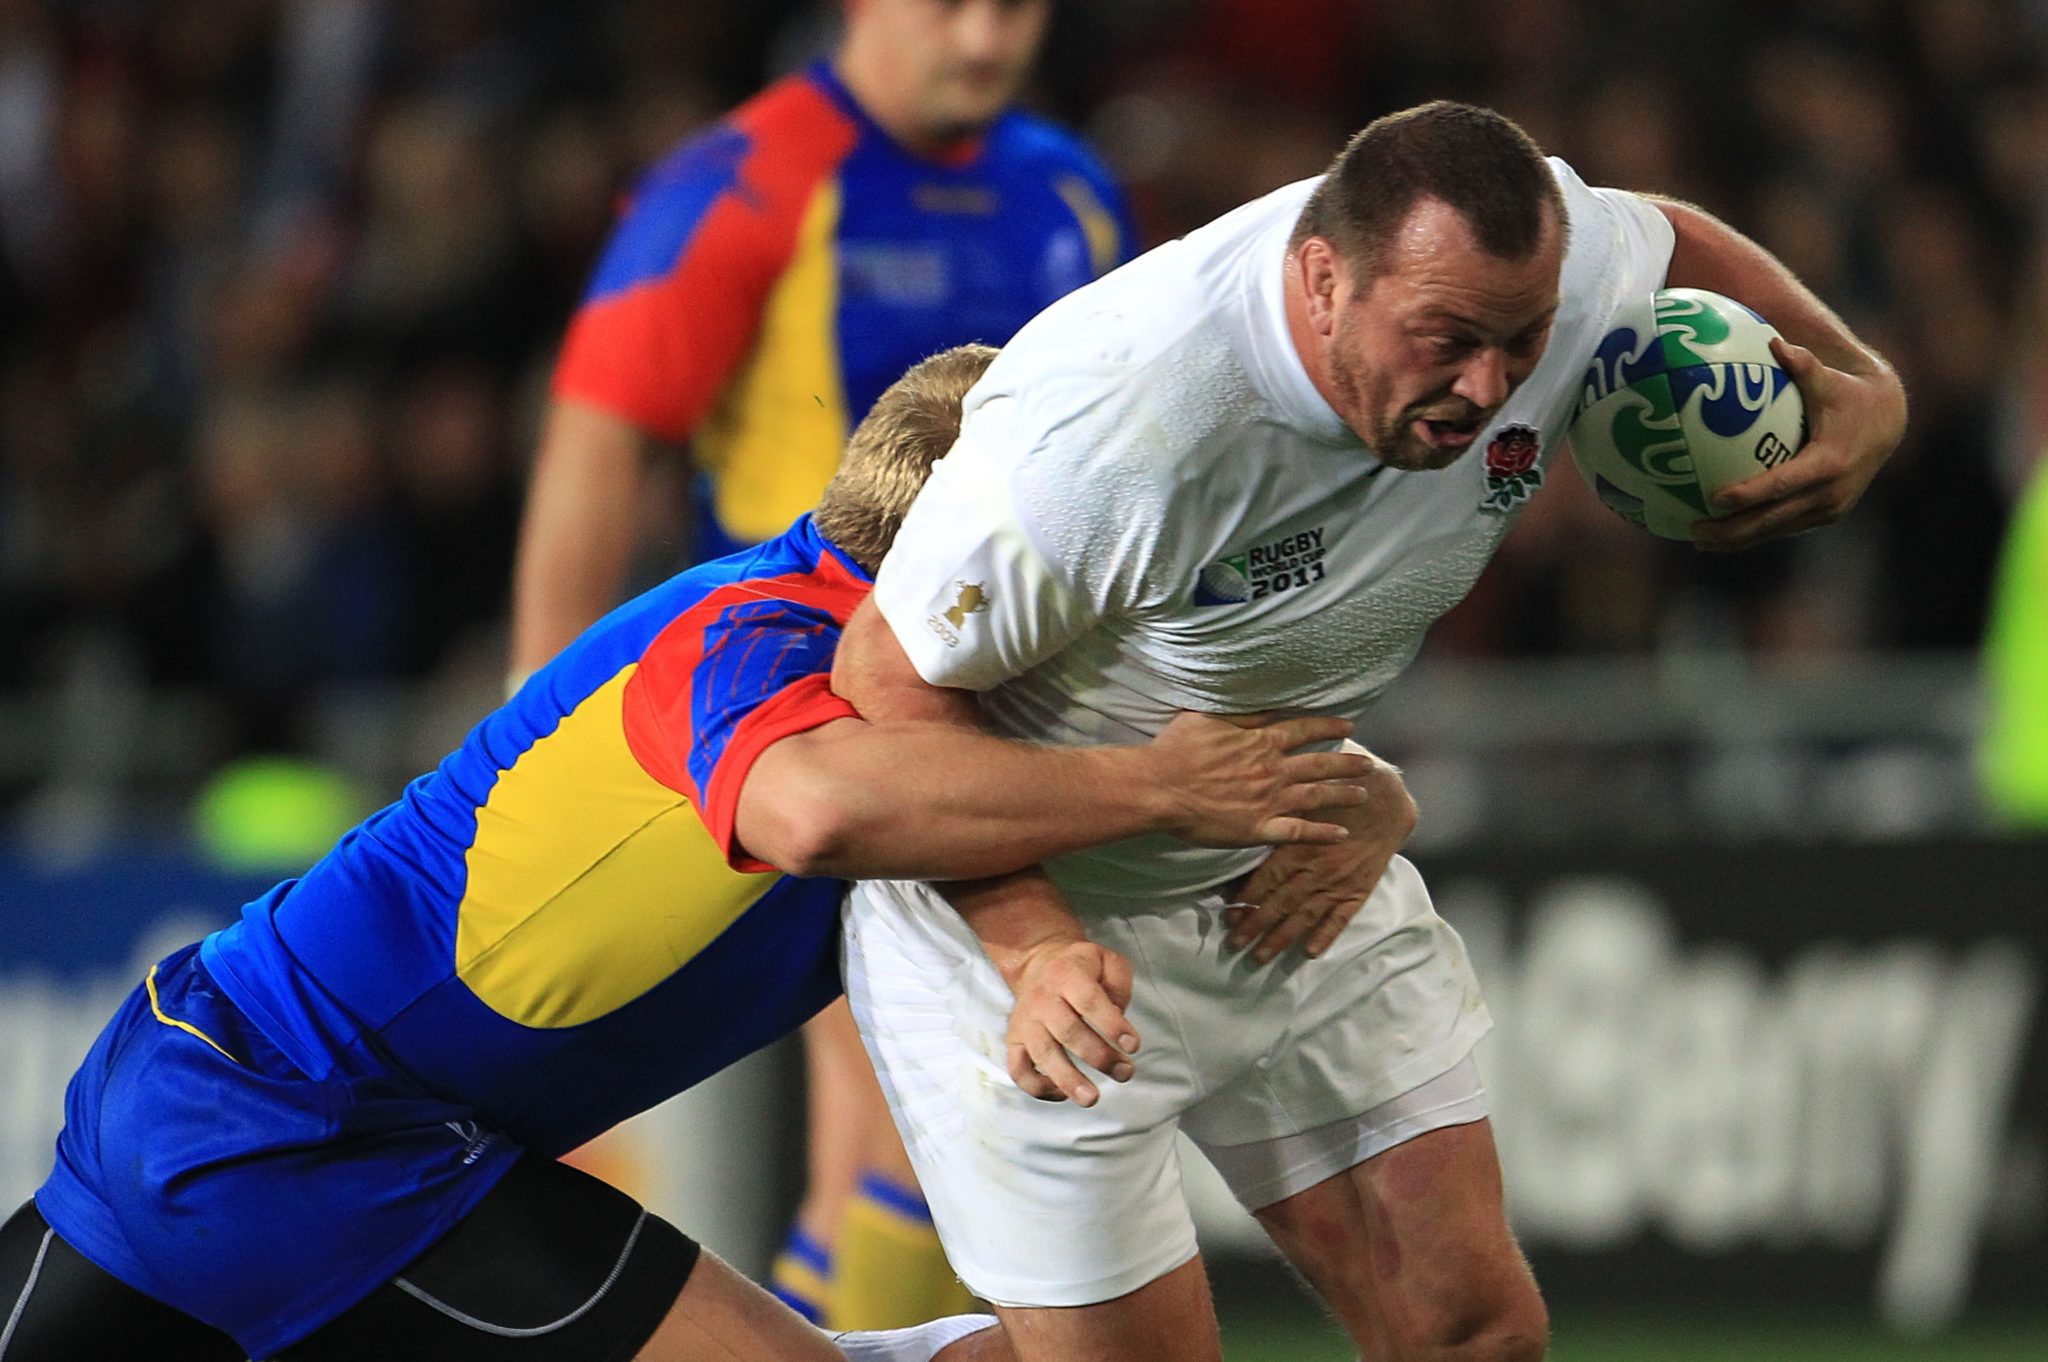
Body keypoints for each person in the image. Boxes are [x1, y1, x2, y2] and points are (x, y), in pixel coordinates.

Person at [0, 347, 1394, 1362]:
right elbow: (814, 809)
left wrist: (1367, 800)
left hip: (249, 1086)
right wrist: (1153, 787)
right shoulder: (748, 638)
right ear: (990, 555)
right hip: (300, 1124)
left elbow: (1215, 750)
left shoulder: (939, 686)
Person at [831, 102, 1910, 1362]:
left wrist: (1863, 385)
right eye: (1446, 342)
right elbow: (886, 691)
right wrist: (1034, 948)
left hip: (1287, 867)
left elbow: (1661, 236)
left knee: (1471, 1334)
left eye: (1523, 343)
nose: (1489, 390)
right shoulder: (1124, 421)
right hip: (1030, 939)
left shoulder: (1532, 279)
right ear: (1320, 278)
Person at [509, 0, 1135, 1326]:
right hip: (809, 725)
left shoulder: (1072, 193)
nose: (985, 37)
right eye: (950, 6)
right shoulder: (741, 184)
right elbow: (599, 447)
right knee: (923, 1137)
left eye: (1014, 7)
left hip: (1011, 729)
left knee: (881, 1159)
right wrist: (528, 739)